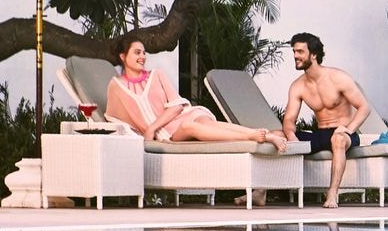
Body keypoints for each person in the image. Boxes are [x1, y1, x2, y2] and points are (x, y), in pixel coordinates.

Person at [103, 37, 292, 150]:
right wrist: (147, 133)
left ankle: (258, 135)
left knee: (205, 122)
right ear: (123, 56)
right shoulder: (116, 86)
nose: (143, 57)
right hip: (169, 133)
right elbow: (115, 119)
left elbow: (177, 106)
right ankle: (258, 135)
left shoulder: (156, 74)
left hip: (180, 117)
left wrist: (152, 127)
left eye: (144, 53)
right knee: (190, 126)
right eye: (137, 53)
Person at [277, 32, 373, 207]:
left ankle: (332, 194)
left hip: (343, 133)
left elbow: (364, 107)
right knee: (276, 135)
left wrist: (349, 129)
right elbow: (289, 119)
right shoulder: (298, 86)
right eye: (294, 52)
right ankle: (261, 192)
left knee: (338, 139)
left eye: (300, 51)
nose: (295, 56)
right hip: (320, 134)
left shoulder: (338, 78)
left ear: (314, 54)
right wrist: (291, 135)